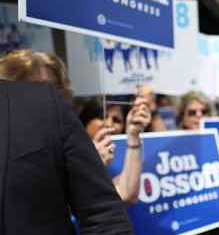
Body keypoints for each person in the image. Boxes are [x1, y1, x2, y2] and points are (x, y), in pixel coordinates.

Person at [0, 81, 133, 234]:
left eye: (116, 120)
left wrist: (134, 139)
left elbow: (106, 216)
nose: (109, 124)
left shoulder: (42, 103)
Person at [78, 96, 151, 204]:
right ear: (86, 121)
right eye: (102, 117)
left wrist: (133, 134)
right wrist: (93, 164)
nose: (108, 124)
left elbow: (126, 195)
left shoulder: (126, 158)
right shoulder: (69, 154)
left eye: (116, 120)